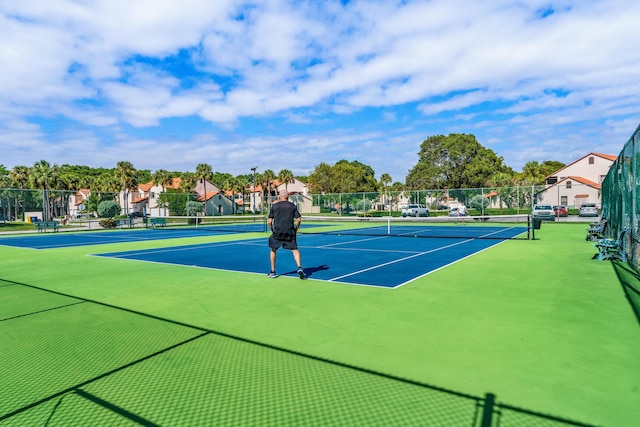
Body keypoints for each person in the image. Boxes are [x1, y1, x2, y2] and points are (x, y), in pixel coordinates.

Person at [267, 189, 305, 279]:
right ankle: (299, 268)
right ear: (287, 197)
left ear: (280, 196)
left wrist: (272, 230)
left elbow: (269, 221)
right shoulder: (292, 206)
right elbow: (299, 219)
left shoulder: (274, 206)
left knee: (273, 249)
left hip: (277, 232)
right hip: (290, 231)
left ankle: (273, 271)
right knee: (295, 250)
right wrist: (296, 229)